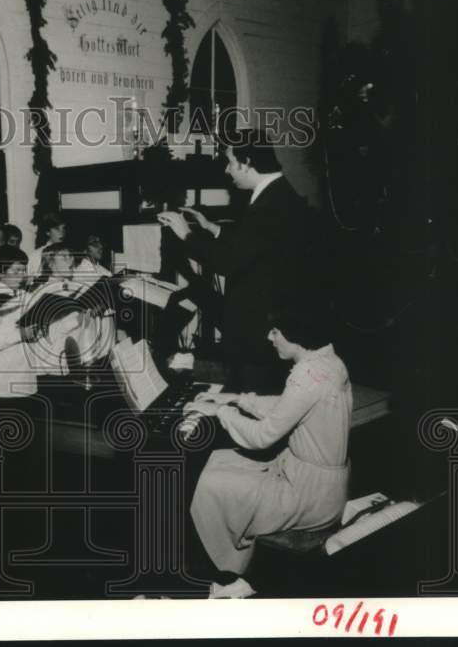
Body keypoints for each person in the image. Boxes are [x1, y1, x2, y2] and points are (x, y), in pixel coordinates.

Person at [180, 309, 351, 598]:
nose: (269, 337)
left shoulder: (306, 374)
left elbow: (262, 437)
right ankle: (231, 572)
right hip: (322, 483)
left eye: (276, 331)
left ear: (295, 336)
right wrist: (237, 400)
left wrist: (220, 411)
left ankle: (221, 576)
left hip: (308, 495)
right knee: (218, 461)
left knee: (207, 483)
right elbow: (289, 408)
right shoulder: (327, 361)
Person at [157, 129, 311, 394]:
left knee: (253, 395)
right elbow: (255, 245)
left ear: (247, 161)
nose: (228, 171)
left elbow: (230, 261)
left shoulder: (268, 205)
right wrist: (214, 229)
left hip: (261, 323)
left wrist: (187, 234)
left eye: (230, 162)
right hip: (272, 315)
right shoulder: (279, 193)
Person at [27, 212, 67, 277]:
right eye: (57, 229)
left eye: (63, 228)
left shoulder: (67, 253)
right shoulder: (37, 255)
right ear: (47, 232)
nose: (62, 233)